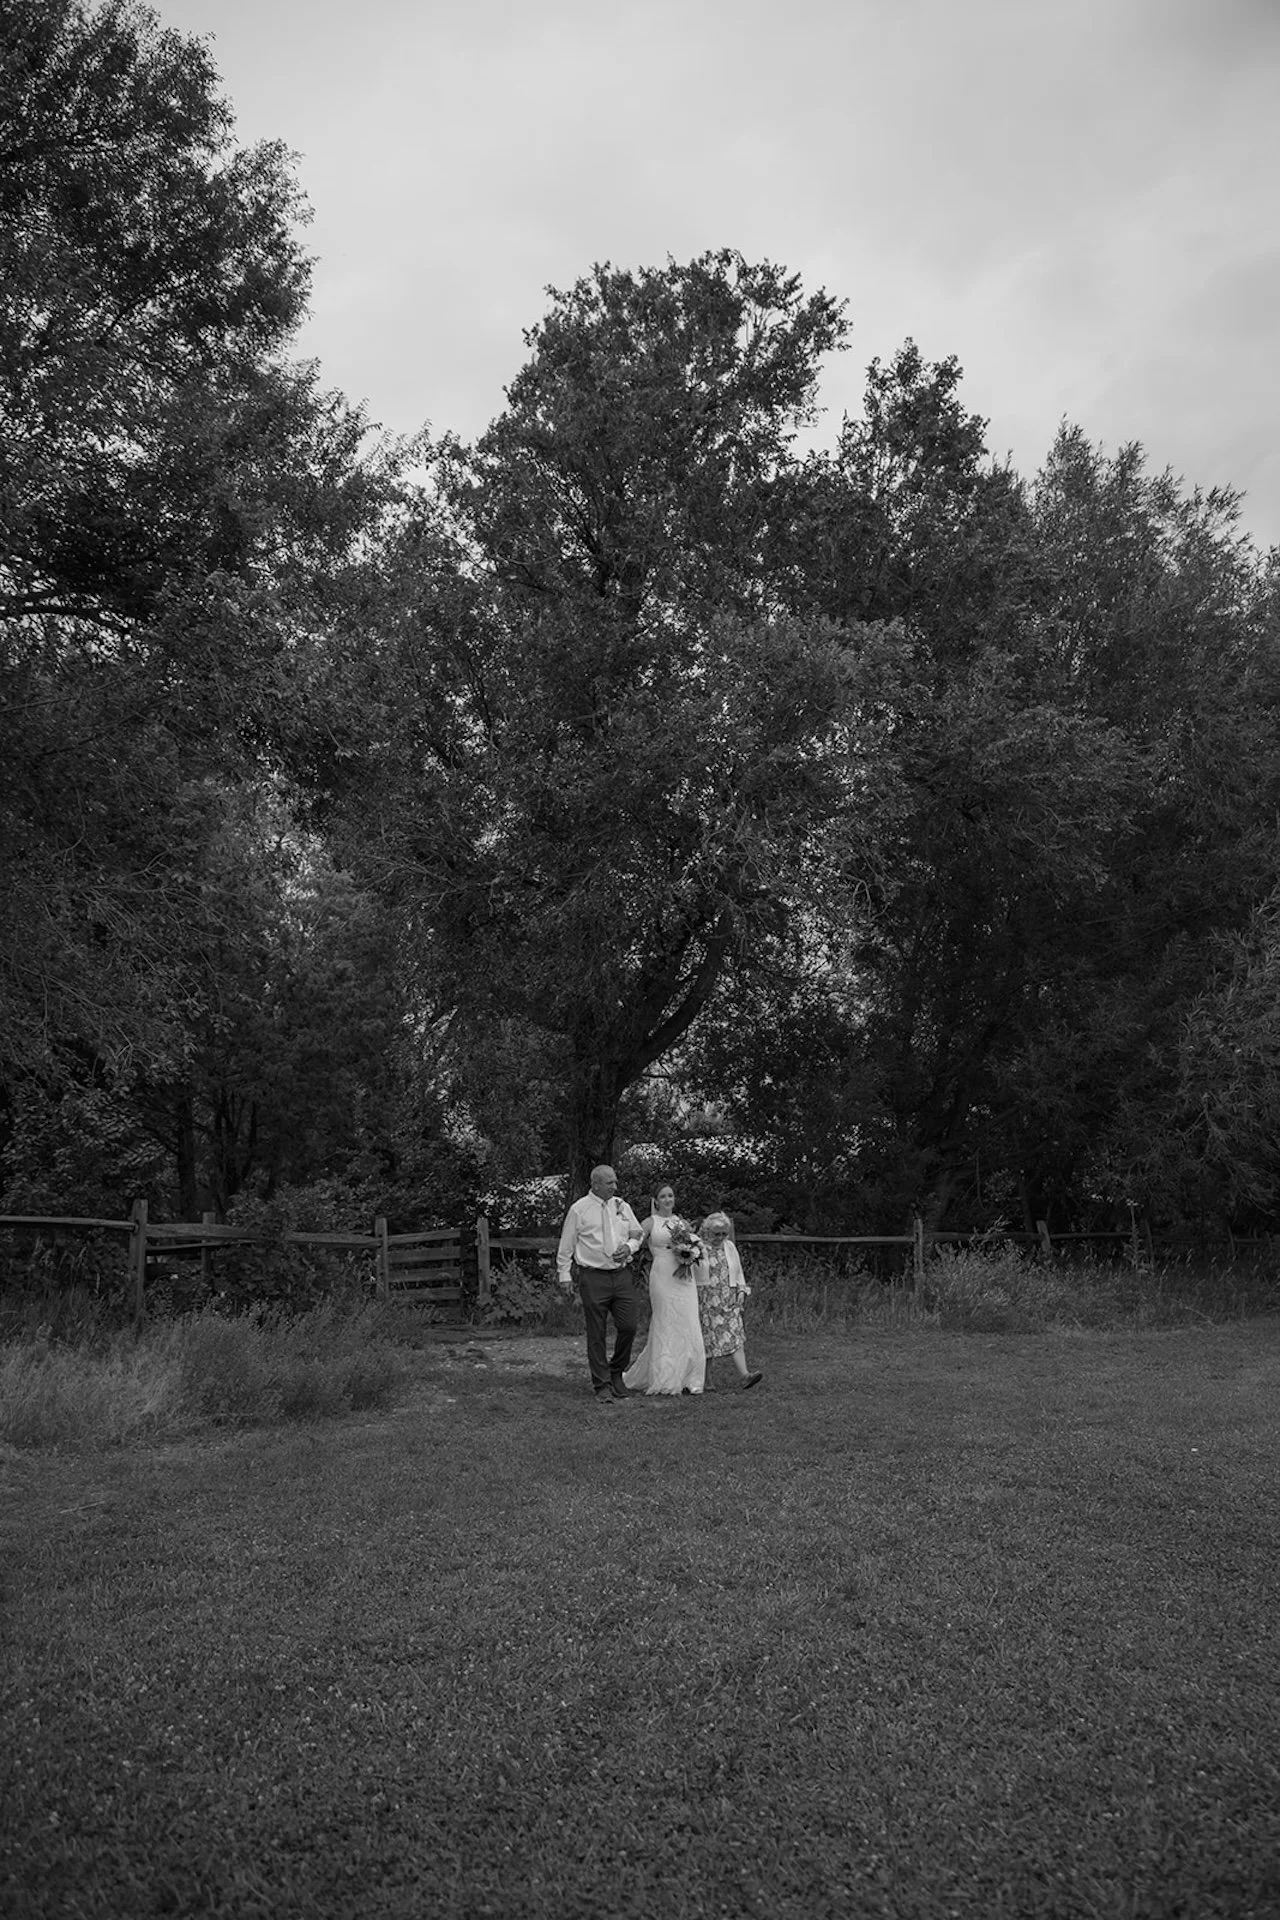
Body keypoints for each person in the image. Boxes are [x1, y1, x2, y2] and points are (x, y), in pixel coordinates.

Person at [556, 1165, 643, 1405]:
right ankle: (601, 1384)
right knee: (597, 1332)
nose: (615, 1187)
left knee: (629, 1326)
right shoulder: (579, 1210)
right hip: (593, 1277)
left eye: (615, 1182)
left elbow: (637, 1233)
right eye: (610, 1183)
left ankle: (617, 1371)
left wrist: (630, 1247)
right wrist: (565, 1275)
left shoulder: (622, 1206)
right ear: (595, 1184)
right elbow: (566, 1245)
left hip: (621, 1274)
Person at [623, 1183, 706, 1397]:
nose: (668, 1199)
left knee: (688, 1321)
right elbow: (635, 1239)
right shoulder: (651, 1222)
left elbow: (695, 1244)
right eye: (663, 1196)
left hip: (683, 1276)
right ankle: (665, 1377)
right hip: (662, 1275)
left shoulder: (682, 1222)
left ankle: (691, 1377)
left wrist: (693, 1252)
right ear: (656, 1200)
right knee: (666, 1320)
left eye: (671, 1195)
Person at [694, 1213, 763, 1391]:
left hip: (728, 1298)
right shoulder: (698, 1248)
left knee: (735, 1335)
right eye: (717, 1234)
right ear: (707, 1231)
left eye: (724, 1234)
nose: (720, 1238)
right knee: (708, 1339)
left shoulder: (730, 1247)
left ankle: (745, 1375)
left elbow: (738, 1271)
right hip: (706, 1299)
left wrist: (741, 1290)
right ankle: (706, 1380)